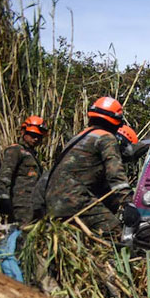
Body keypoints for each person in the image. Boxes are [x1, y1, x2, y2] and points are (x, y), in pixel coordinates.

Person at [43, 96, 131, 234]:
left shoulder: (78, 137)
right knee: (115, 232)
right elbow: (115, 174)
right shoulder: (106, 138)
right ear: (116, 122)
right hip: (74, 200)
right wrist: (128, 204)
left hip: (51, 201)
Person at [0, 115, 48, 224]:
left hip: (33, 204)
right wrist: (4, 197)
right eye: (33, 135)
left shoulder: (32, 155)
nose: (36, 139)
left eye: (39, 136)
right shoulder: (15, 150)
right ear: (24, 132)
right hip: (21, 204)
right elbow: (5, 175)